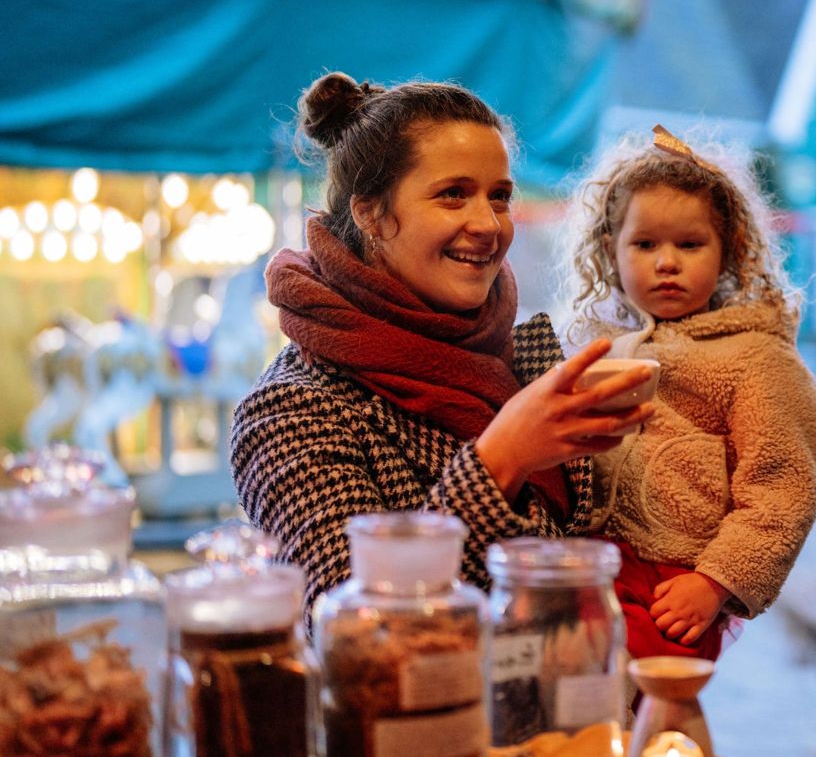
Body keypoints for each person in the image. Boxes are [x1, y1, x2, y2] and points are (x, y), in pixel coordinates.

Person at [231, 72, 653, 611]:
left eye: (499, 197)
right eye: (453, 195)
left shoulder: (525, 359)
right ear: (372, 213)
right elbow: (354, 626)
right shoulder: (292, 409)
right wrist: (502, 458)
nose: (488, 224)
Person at [565, 126, 816, 661]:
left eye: (690, 244)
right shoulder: (597, 346)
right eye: (644, 244)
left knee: (653, 700)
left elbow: (783, 487)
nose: (667, 262)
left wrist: (716, 581)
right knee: (579, 699)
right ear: (610, 251)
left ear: (727, 252)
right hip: (591, 561)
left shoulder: (755, 356)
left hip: (678, 577)